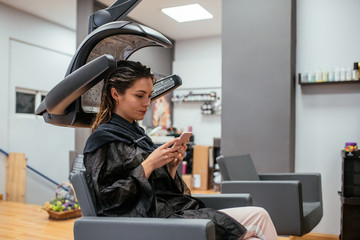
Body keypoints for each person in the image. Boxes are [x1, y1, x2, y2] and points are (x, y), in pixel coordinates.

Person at [83, 60, 278, 240]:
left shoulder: (136, 133)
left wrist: (170, 168)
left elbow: (158, 188)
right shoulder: (103, 139)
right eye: (139, 96)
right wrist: (149, 164)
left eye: (149, 96)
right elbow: (107, 199)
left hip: (170, 212)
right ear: (116, 94)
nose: (147, 103)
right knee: (259, 217)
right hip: (151, 222)